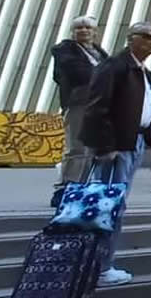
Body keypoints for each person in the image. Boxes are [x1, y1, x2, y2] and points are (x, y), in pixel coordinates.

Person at [81, 22, 151, 287]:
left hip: (134, 141)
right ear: (131, 39)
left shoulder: (141, 70)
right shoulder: (115, 66)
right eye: (147, 36)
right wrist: (105, 146)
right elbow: (97, 107)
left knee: (115, 203)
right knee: (108, 204)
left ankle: (100, 263)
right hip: (116, 146)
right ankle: (99, 267)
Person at [50, 16, 110, 208]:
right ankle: (67, 186)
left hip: (99, 104)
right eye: (79, 28)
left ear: (95, 32)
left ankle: (84, 185)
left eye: (88, 27)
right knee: (77, 147)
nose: (83, 31)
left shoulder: (100, 52)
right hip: (79, 103)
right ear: (72, 32)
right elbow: (78, 73)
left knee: (94, 148)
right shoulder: (65, 50)